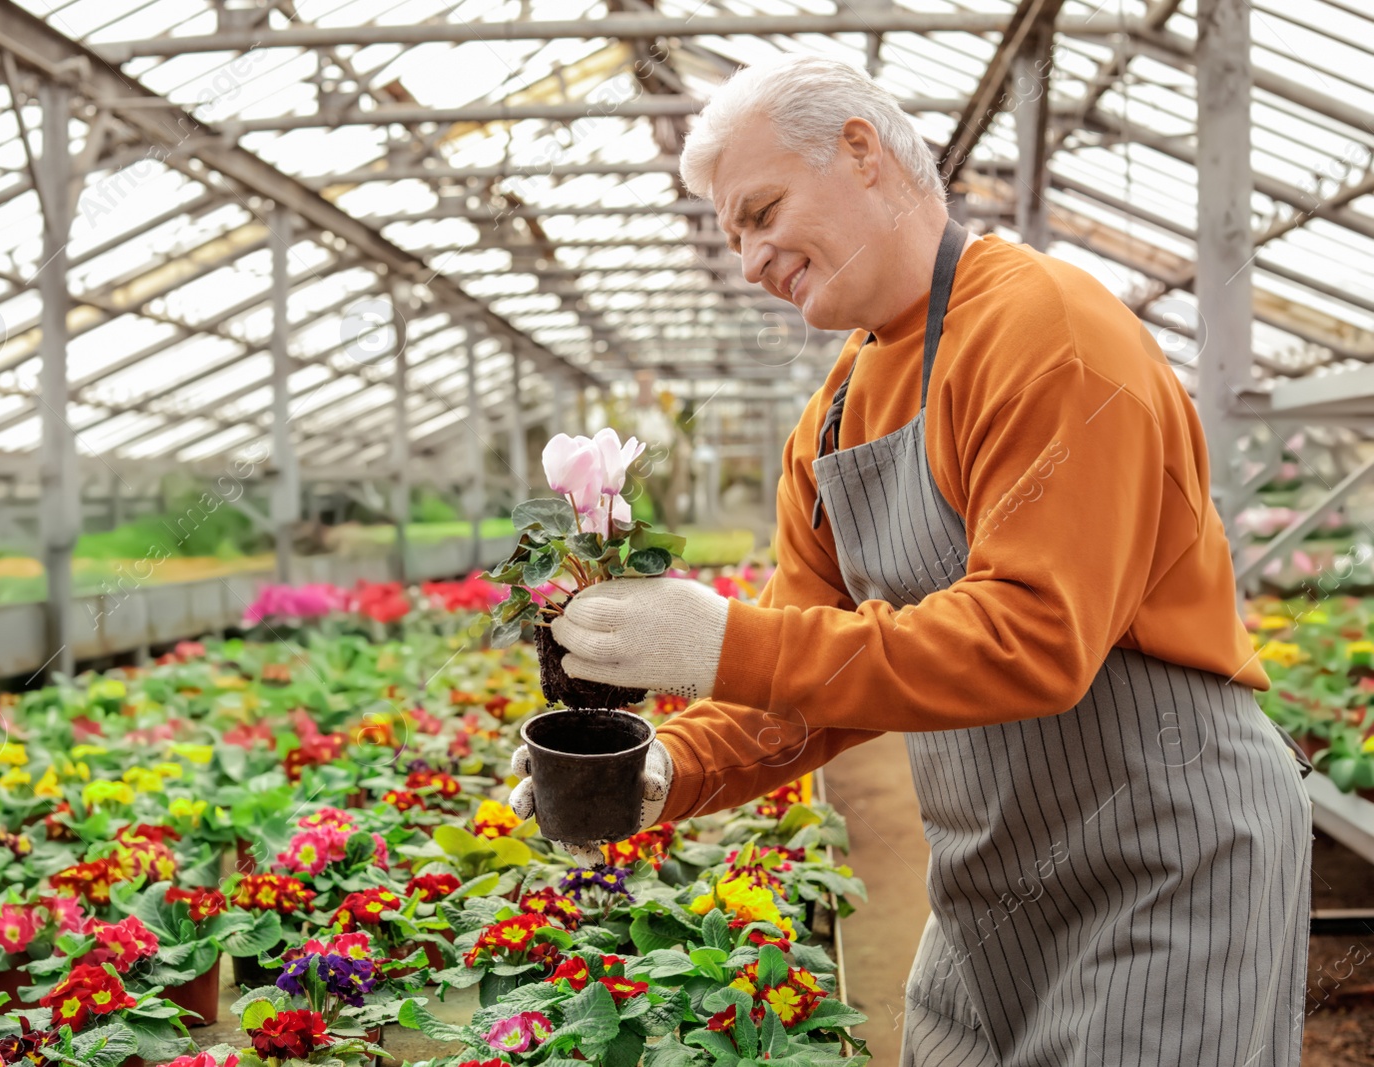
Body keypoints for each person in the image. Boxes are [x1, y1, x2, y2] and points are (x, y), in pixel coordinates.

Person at [508, 53, 1312, 1067]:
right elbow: (807, 681)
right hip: (990, 880)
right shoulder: (832, 417)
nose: (749, 257)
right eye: (732, 235)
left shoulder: (1043, 331)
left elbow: (1034, 641)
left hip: (1166, 856)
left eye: (760, 211)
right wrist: (667, 769)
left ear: (861, 152)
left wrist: (724, 640)